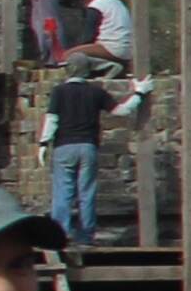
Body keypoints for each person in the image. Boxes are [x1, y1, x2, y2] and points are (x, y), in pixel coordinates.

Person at [38, 51, 141, 249]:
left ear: (68, 70)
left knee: (63, 192)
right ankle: (86, 236)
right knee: (87, 193)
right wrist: (139, 93)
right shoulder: (96, 92)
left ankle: (62, 233)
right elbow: (122, 110)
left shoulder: (59, 92)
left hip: (64, 147)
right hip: (88, 147)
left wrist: (43, 143)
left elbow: (52, 119)